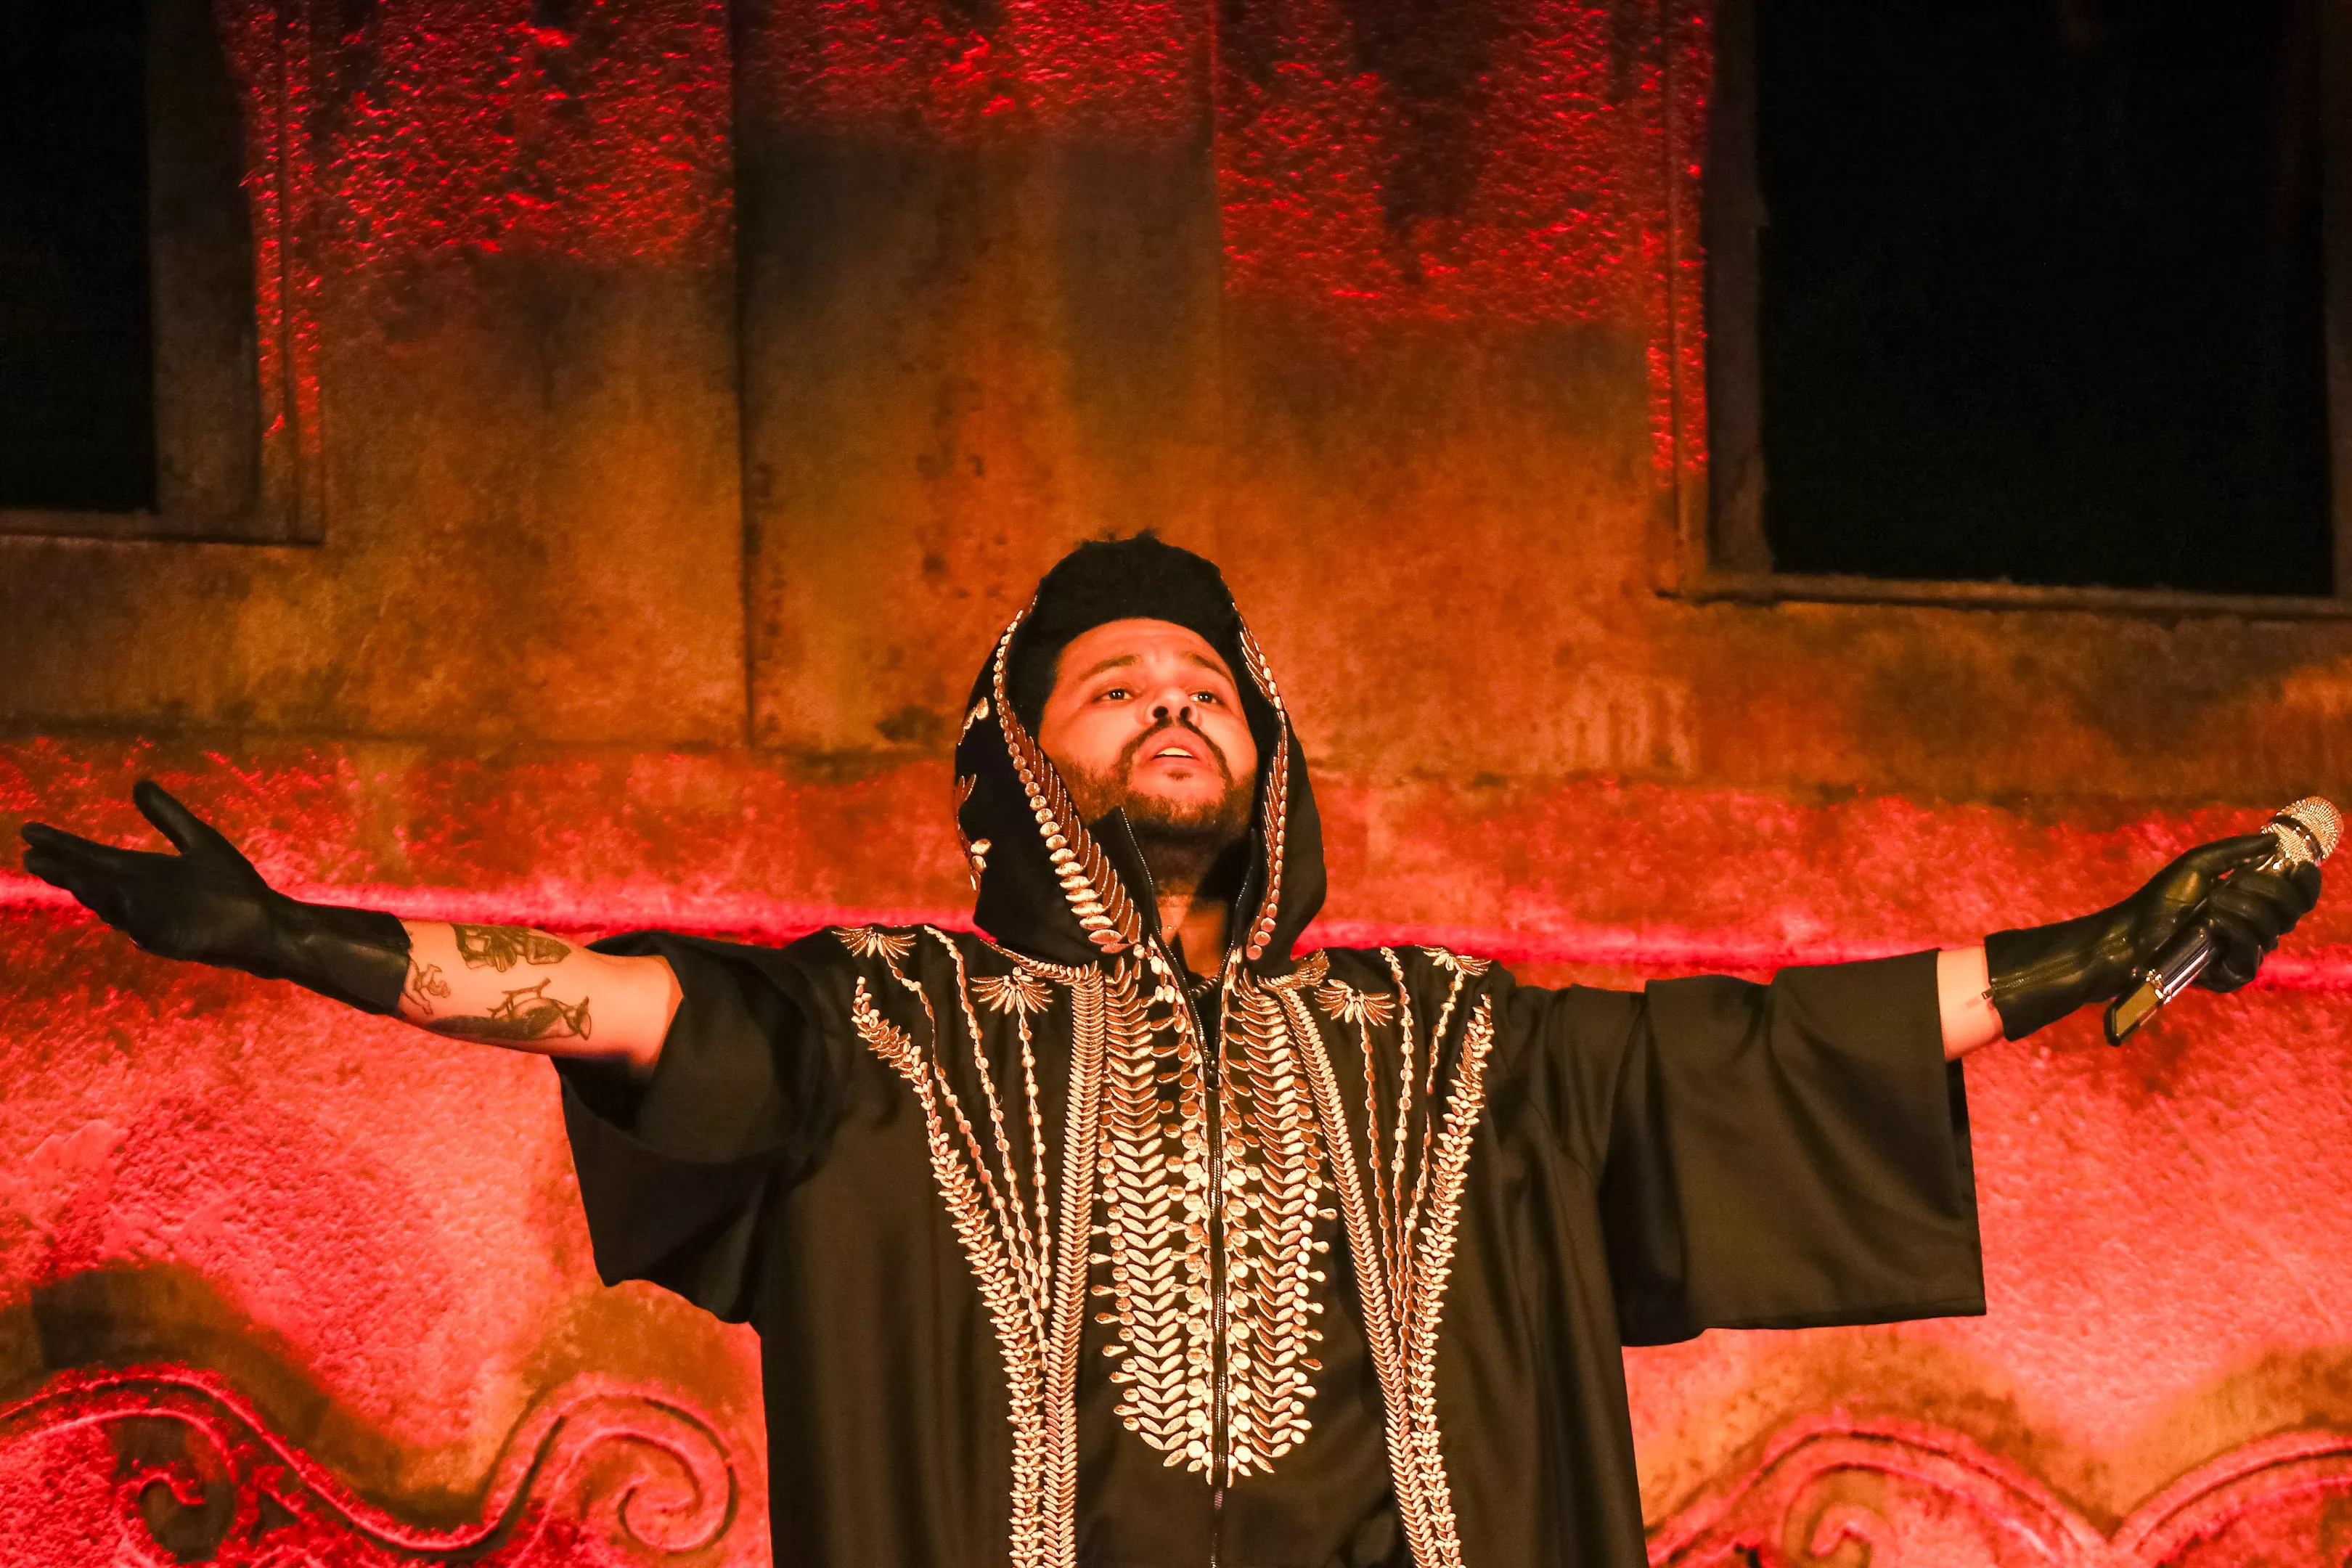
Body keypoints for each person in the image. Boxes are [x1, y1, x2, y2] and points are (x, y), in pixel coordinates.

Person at [17, 534, 2322, 1568]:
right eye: (1118, 684)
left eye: (1208, 683)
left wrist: (2097, 943)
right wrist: (301, 944)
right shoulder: (890, 1030)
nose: (1176, 708)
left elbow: (1751, 1059)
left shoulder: (1440, 1043)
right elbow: (628, 1006)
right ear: (1020, 762)